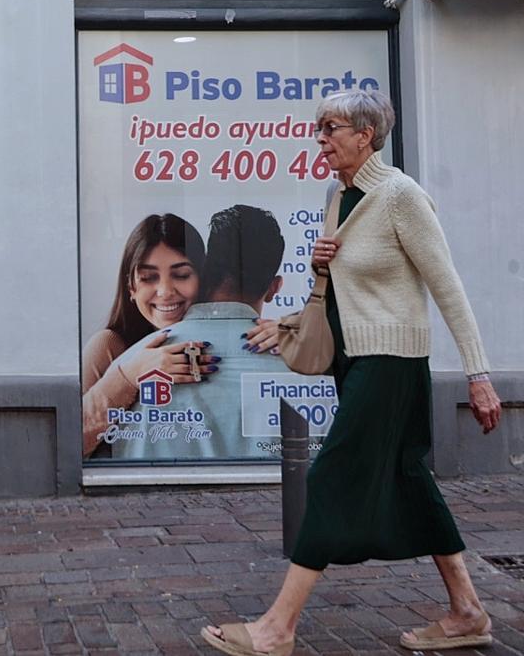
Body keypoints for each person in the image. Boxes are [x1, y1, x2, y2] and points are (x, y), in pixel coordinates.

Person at [200, 88, 503, 656]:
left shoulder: (400, 196)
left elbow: (448, 287)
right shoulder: (337, 197)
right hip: (354, 358)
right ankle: (467, 610)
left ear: (365, 135)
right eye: (319, 128)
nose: (320, 138)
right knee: (408, 477)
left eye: (331, 128)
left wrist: (478, 374)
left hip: (393, 363)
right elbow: (345, 295)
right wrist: (292, 315)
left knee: (331, 475)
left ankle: (277, 628)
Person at [111, 205, 288, 461]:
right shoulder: (303, 365)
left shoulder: (133, 363)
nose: (165, 291)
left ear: (204, 276)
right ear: (275, 288)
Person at [81, 213, 214, 458]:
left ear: (202, 280)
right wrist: (129, 376)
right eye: (148, 278)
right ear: (131, 287)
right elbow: (70, 447)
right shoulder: (108, 347)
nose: (165, 291)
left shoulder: (218, 340)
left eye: (181, 275)